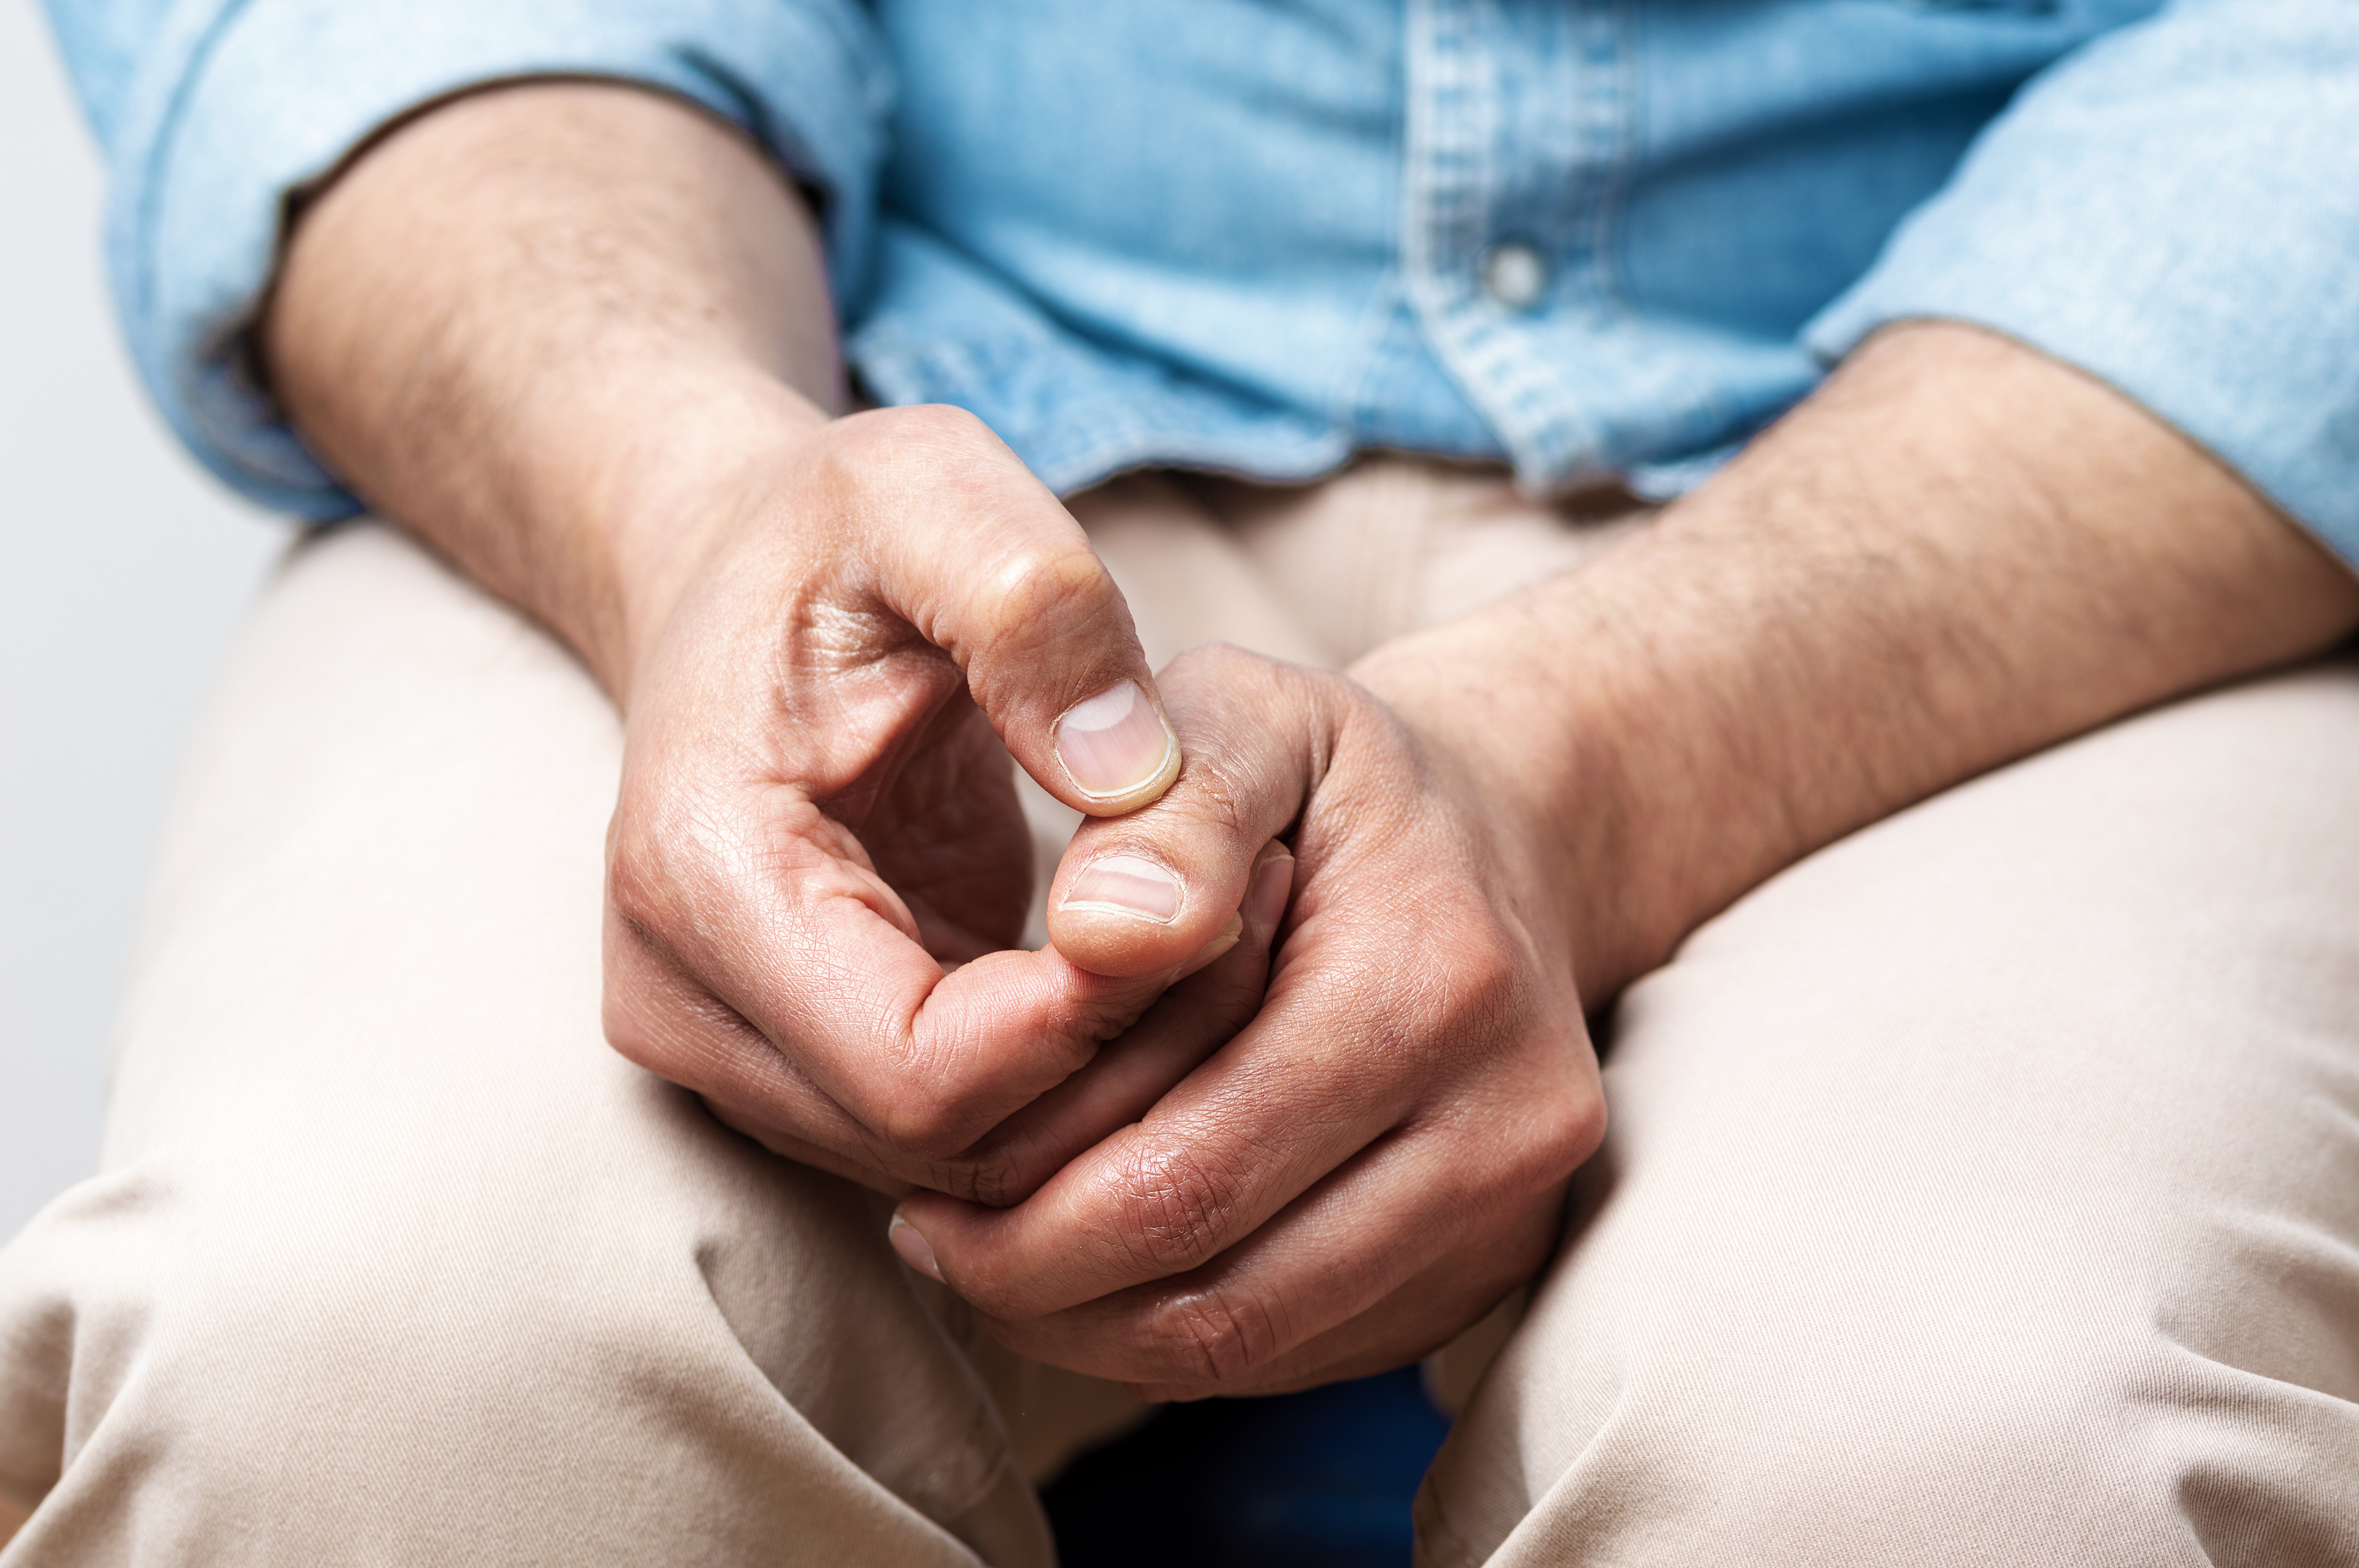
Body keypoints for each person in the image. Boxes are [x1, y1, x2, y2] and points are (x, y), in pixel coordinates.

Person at [6, 2, 2359, 1563]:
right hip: (840, 381)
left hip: (2065, 471)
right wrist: (692, 491)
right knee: (364, 1344)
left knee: (1965, 1449)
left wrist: (1597, 755)